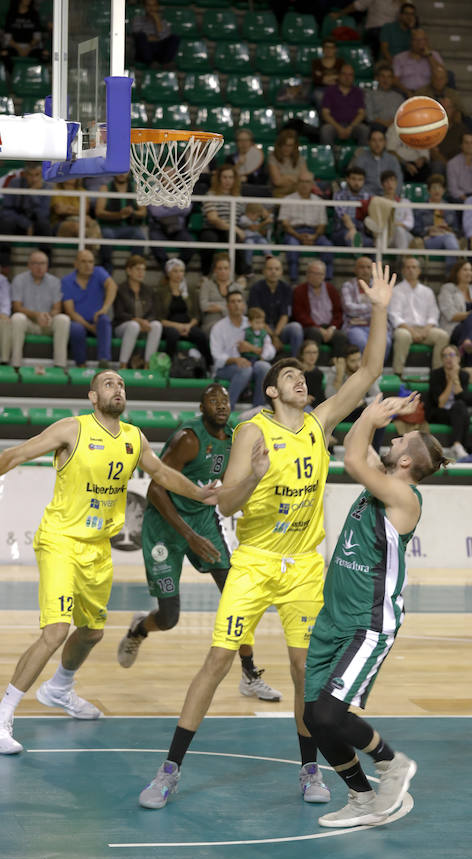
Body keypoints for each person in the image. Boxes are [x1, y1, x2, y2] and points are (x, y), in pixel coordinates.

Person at [137, 262, 396, 810]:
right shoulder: (251, 431)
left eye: (303, 376)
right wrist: (251, 476)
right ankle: (169, 770)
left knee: (305, 669)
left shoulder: (319, 422)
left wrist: (377, 307)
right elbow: (227, 504)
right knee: (217, 659)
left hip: (303, 566)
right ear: (273, 390)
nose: (302, 379)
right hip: (254, 561)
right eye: (291, 377)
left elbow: (370, 367)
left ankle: (309, 770)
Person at [0, 370, 219, 755]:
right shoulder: (72, 429)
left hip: (98, 549)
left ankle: (59, 689)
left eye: (121, 384)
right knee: (55, 630)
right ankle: (5, 713)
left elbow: (164, 474)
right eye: (108, 384)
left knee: (92, 633)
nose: (117, 388)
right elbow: (16, 454)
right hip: (61, 541)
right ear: (92, 396)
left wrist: (200, 494)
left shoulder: (134, 438)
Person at [304, 393, 448, 827]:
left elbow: (352, 459)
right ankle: (362, 798)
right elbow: (354, 445)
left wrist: (371, 415)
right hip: (333, 619)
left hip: (368, 624)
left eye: (403, 439)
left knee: (332, 713)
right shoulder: (382, 478)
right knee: (314, 717)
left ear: (407, 462)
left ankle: (392, 763)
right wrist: (363, 411)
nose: (396, 438)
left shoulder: (404, 496)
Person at [116, 383, 281, 701]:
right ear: (201, 408)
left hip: (204, 520)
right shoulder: (188, 439)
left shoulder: (235, 437)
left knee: (237, 596)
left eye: (225, 400)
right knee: (169, 617)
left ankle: (249, 673)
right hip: (165, 527)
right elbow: (155, 489)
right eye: (212, 400)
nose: (221, 405)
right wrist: (188, 536)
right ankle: (139, 628)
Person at [210, 290, 273, 409]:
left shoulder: (253, 322)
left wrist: (256, 350)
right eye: (233, 302)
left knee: (264, 367)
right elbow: (216, 356)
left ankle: (257, 409)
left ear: (244, 305)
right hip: (226, 368)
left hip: (251, 362)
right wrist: (235, 360)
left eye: (239, 301)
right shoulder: (218, 327)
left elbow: (270, 350)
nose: (237, 304)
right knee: (245, 369)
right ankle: (227, 408)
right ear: (227, 306)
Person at [388, 256, 449, 377]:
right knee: (402, 336)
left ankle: (437, 373)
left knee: (443, 336)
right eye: (408, 267)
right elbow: (394, 315)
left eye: (414, 267)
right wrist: (412, 331)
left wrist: (426, 329)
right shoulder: (396, 290)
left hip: (425, 329)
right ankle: (398, 373)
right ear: (403, 271)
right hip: (405, 328)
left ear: (419, 271)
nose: (411, 270)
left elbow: (433, 313)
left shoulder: (427, 291)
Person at [9, 250, 70, 370]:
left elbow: (57, 308)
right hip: (28, 322)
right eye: (35, 263)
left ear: (47, 265)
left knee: (63, 319)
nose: (40, 267)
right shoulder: (19, 280)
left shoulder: (55, 281)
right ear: (29, 265)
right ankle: (15, 364)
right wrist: (37, 315)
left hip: (47, 322)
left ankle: (60, 365)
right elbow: (17, 307)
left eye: (43, 263)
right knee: (17, 318)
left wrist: (48, 316)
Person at [62, 249, 117, 368]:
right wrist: (90, 328)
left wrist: (104, 309)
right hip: (79, 321)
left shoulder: (99, 272)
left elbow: (112, 286)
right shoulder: (67, 281)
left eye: (91, 262)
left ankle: (104, 361)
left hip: (97, 319)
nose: (88, 265)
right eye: (84, 262)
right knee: (75, 328)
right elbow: (70, 311)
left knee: (104, 320)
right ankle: (81, 364)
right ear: (75, 264)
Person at [155, 258, 211, 367]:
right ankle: (169, 365)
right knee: (173, 334)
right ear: (168, 273)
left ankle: (209, 365)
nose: (178, 274)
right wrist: (178, 326)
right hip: (169, 326)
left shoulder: (190, 290)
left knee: (201, 336)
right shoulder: (161, 291)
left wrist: (188, 326)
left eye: (181, 271)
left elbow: (196, 315)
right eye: (175, 271)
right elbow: (160, 318)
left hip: (187, 325)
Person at [279, 172, 334, 283]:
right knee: (292, 245)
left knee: (328, 246)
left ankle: (328, 281)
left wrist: (314, 237)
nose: (304, 185)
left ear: (312, 184)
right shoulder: (288, 200)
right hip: (294, 232)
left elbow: (322, 225)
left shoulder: (319, 201)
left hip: (314, 232)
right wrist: (298, 236)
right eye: (302, 181)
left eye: (307, 182)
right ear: (297, 183)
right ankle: (293, 280)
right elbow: (284, 224)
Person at [292, 259, 348, 363]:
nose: (316, 276)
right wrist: (317, 328)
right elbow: (299, 314)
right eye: (313, 273)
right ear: (307, 274)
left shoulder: (331, 289)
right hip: (310, 327)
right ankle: (313, 366)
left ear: (324, 275)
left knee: (341, 336)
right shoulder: (299, 290)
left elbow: (338, 313)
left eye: (319, 274)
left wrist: (332, 328)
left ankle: (335, 366)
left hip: (329, 327)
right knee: (315, 334)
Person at [247, 255, 303, 358]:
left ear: (281, 272)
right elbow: (256, 318)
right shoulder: (256, 289)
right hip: (262, 329)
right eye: (270, 269)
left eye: (277, 269)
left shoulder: (286, 289)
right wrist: (272, 337)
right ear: (264, 271)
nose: (273, 272)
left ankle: (296, 363)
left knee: (296, 327)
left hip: (280, 330)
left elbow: (285, 315)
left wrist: (276, 335)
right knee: (256, 329)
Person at [198, 164, 249, 276]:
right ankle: (205, 275)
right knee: (209, 240)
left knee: (236, 239)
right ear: (219, 179)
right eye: (224, 177)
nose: (228, 180)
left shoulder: (239, 198)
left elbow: (244, 217)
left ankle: (241, 275)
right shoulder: (210, 195)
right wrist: (235, 228)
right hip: (211, 228)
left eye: (231, 177)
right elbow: (213, 219)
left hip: (231, 230)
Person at [113, 255, 162, 369]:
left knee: (156, 325)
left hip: (143, 325)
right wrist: (138, 320)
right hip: (123, 325)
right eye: (138, 269)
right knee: (133, 325)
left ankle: (148, 364)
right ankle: (123, 364)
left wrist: (146, 322)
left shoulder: (148, 290)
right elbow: (119, 314)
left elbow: (153, 312)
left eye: (143, 269)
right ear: (128, 270)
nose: (141, 273)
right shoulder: (120, 289)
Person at [0, 162, 52, 267]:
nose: (34, 179)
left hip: (36, 223)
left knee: (44, 225)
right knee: (5, 223)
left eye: (37, 175)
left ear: (41, 175)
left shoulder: (46, 187)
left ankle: (46, 265)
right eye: (30, 175)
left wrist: (33, 193)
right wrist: (26, 224)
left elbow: (43, 214)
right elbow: (6, 210)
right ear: (25, 174)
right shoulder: (15, 183)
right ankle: (4, 265)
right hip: (18, 222)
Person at [425, 344, 472, 460]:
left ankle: (456, 445)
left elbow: (461, 397)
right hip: (437, 412)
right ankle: (461, 446)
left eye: (451, 355)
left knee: (460, 407)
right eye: (445, 356)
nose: (448, 358)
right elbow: (440, 402)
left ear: (458, 358)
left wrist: (455, 377)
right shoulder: (435, 375)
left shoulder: (464, 375)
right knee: (463, 414)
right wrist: (451, 379)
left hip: (455, 411)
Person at [341, 255, 392, 360]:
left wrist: (363, 311)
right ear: (355, 270)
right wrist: (373, 306)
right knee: (362, 342)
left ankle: (378, 372)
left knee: (386, 342)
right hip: (355, 327)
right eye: (362, 267)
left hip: (376, 324)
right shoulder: (348, 285)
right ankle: (364, 373)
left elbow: (384, 306)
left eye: (369, 267)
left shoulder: (379, 285)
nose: (365, 270)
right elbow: (349, 308)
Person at [437, 260, 472, 366]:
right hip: (454, 328)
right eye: (465, 270)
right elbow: (451, 315)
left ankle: (466, 345)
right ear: (457, 272)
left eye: (470, 270)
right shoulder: (448, 289)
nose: (469, 273)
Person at [95, 173, 147, 272]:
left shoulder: (136, 187)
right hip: (110, 226)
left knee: (140, 236)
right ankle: (107, 266)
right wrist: (119, 214)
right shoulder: (105, 188)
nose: (122, 174)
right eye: (119, 171)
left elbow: (143, 212)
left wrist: (132, 212)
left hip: (130, 227)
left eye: (125, 171)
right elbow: (99, 212)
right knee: (107, 235)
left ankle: (135, 266)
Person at [413, 176, 461, 277]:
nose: (437, 190)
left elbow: (457, 230)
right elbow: (416, 230)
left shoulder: (450, 208)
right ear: (429, 190)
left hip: (448, 238)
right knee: (451, 240)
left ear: (443, 190)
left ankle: (450, 274)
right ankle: (452, 276)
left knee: (450, 238)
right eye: (434, 188)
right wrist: (429, 230)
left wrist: (448, 229)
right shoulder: (420, 208)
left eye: (439, 188)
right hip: (430, 240)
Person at [319, 63, 369, 147]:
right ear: (339, 75)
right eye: (344, 74)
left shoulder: (358, 92)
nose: (347, 77)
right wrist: (339, 128)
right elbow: (325, 114)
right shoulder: (330, 91)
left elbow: (361, 113)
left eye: (350, 75)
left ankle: (360, 157)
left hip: (353, 126)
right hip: (334, 125)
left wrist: (350, 128)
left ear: (353, 77)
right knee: (325, 130)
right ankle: (329, 158)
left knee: (364, 130)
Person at [364, 169, 415, 250]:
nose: (390, 184)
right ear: (382, 184)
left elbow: (410, 223)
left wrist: (394, 225)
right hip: (385, 235)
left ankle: (402, 258)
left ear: (396, 183)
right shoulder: (377, 202)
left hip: (402, 235)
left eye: (392, 181)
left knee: (400, 230)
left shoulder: (404, 202)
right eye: (386, 182)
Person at [198, 253, 244, 335]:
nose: (223, 271)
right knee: (219, 329)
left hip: (233, 322)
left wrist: (218, 307)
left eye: (226, 268)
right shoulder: (206, 286)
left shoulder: (237, 287)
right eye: (220, 268)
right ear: (215, 270)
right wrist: (230, 307)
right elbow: (204, 306)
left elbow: (244, 308)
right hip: (211, 323)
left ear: (230, 269)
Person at [392, 28, 445, 97]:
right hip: (405, 93)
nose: (420, 43)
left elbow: (441, 74)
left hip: (429, 94)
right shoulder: (399, 58)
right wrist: (407, 92)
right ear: (410, 41)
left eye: (423, 40)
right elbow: (395, 80)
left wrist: (429, 56)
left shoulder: (434, 55)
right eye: (416, 40)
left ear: (427, 41)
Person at [351, 127, 403, 196]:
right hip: (367, 197)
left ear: (385, 142)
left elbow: (398, 180)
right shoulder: (361, 159)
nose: (377, 144)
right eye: (374, 140)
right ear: (368, 142)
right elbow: (357, 181)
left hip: (388, 197)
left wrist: (393, 196)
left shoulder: (392, 160)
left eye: (380, 140)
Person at [332, 166, 373, 248]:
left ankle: (372, 261)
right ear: (347, 179)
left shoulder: (368, 196)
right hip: (342, 231)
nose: (356, 183)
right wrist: (352, 229)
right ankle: (360, 260)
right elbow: (344, 216)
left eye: (360, 179)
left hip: (362, 232)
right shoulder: (339, 195)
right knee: (352, 238)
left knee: (374, 243)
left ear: (364, 181)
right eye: (353, 179)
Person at [132, 0, 179, 66]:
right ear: (144, 7)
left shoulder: (163, 21)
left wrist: (157, 20)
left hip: (159, 50)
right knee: (141, 37)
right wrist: (157, 38)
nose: (151, 8)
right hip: (144, 52)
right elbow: (137, 35)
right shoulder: (138, 19)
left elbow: (165, 37)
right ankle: (150, 63)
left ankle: (166, 63)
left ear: (157, 7)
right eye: (148, 5)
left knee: (174, 38)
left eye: (154, 5)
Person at [268, 129, 310, 199]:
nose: (286, 148)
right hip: (280, 193)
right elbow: (277, 182)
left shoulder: (300, 158)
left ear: (294, 146)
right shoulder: (273, 158)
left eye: (290, 145)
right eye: (284, 145)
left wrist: (285, 176)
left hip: (298, 193)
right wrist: (295, 178)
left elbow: (305, 179)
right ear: (279, 145)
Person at [364, 65, 405, 131]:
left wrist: (392, 123)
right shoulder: (370, 95)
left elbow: (403, 116)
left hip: (396, 128)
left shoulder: (399, 97)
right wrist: (384, 123)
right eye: (383, 76)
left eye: (389, 77)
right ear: (377, 78)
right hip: (377, 127)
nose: (386, 80)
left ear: (392, 79)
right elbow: (369, 116)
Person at [311, 38, 344, 108]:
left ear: (335, 49)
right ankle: (325, 118)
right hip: (320, 89)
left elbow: (343, 78)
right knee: (320, 97)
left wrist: (324, 77)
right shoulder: (316, 63)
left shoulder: (341, 63)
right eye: (326, 47)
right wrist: (335, 76)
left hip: (337, 89)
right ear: (323, 49)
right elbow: (316, 80)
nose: (329, 50)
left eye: (331, 48)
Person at [239, 202, 273, 269]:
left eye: (258, 216)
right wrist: (265, 222)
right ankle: (248, 265)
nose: (257, 218)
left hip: (257, 237)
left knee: (263, 241)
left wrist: (266, 220)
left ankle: (268, 256)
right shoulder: (243, 218)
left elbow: (260, 231)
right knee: (249, 244)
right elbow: (254, 228)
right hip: (247, 238)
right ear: (249, 213)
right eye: (256, 215)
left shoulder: (256, 220)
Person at [298, 340, 326, 409]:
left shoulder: (318, 373)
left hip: (312, 405)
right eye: (308, 352)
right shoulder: (295, 371)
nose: (312, 356)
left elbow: (317, 396)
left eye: (315, 352)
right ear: (302, 354)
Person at [0, 271, 11, 365]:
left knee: (5, 321)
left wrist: (4, 313)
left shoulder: (3, 280)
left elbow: (6, 301)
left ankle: (4, 360)